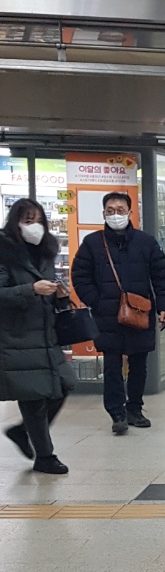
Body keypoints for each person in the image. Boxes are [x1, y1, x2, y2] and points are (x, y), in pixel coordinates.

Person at [71, 192, 165, 435]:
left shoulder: (146, 242)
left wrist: (164, 306)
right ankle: (117, 413)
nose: (115, 214)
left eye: (120, 210)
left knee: (139, 363)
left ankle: (134, 408)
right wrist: (96, 301)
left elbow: (161, 276)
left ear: (129, 213)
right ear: (103, 213)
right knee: (112, 365)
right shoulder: (93, 243)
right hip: (107, 315)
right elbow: (80, 276)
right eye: (110, 210)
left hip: (140, 312)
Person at [0, 199, 75, 474]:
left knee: (64, 384)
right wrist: (31, 289)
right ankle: (45, 456)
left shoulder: (45, 251)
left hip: (46, 333)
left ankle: (22, 432)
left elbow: (48, 290)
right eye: (28, 221)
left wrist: (60, 295)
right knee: (33, 397)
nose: (35, 227)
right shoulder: (4, 252)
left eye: (39, 221)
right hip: (17, 337)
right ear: (16, 223)